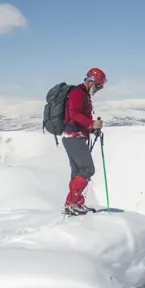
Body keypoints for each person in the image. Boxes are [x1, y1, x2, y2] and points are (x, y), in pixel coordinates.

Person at [62, 67, 107, 214]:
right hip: (74, 137)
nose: (99, 89)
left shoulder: (83, 95)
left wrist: (92, 129)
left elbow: (77, 117)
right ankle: (73, 204)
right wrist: (91, 124)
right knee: (87, 169)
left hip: (73, 136)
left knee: (77, 172)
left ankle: (73, 204)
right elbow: (73, 113)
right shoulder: (78, 93)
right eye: (98, 86)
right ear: (90, 81)